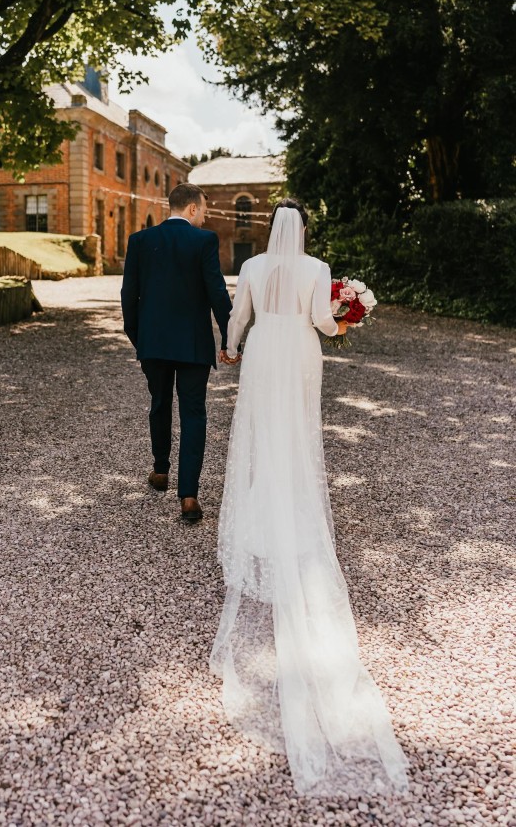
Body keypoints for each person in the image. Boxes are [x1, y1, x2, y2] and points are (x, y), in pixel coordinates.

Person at [211, 198, 409, 797]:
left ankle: (261, 506)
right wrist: (346, 318)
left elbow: (239, 315)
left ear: (271, 228)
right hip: (298, 351)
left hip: (264, 351)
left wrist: (232, 346)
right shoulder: (318, 267)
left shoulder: (249, 267)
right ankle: (291, 499)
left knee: (260, 431)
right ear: (306, 231)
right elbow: (324, 324)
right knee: (296, 432)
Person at [120, 183, 232, 521]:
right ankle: (188, 497)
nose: (205, 218)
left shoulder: (139, 241)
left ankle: (160, 470)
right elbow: (217, 293)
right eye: (204, 211)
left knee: (159, 403)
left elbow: (129, 296)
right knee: (194, 413)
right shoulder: (204, 240)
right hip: (193, 344)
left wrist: (139, 339)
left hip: (152, 343)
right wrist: (230, 338)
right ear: (193, 209)